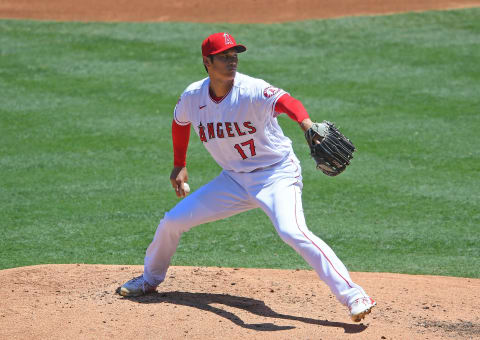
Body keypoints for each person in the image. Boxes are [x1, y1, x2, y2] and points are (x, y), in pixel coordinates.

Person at [118, 32, 376, 322]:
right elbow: (180, 122)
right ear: (207, 61)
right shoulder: (193, 96)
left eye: (235, 55)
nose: (232, 60)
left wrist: (305, 124)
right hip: (233, 180)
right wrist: (179, 164)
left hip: (276, 175)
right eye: (225, 56)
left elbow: (286, 101)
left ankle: (354, 295)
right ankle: (150, 279)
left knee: (292, 231)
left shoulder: (252, 89)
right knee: (172, 221)